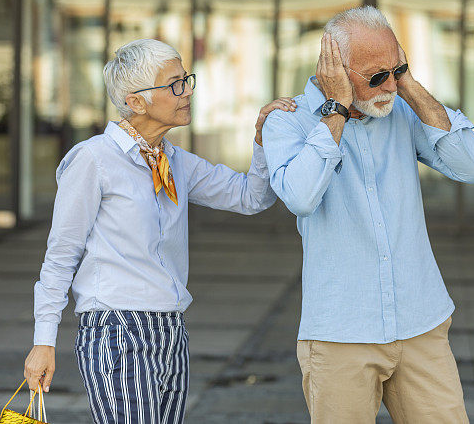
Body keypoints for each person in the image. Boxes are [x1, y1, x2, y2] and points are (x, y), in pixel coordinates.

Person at [23, 38, 294, 424]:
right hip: (116, 327)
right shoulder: (93, 160)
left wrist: (264, 139)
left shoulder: (174, 161)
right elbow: (61, 254)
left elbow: (250, 197)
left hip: (170, 328)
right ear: (136, 101)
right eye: (174, 84)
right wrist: (43, 342)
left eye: (186, 80)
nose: (187, 92)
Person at [261, 6, 474, 423]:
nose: (389, 85)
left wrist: (410, 84)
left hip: (421, 321)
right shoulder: (287, 122)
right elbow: (300, 197)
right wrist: (337, 111)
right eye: (377, 75)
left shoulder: (401, 108)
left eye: (395, 68)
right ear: (335, 70)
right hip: (341, 333)